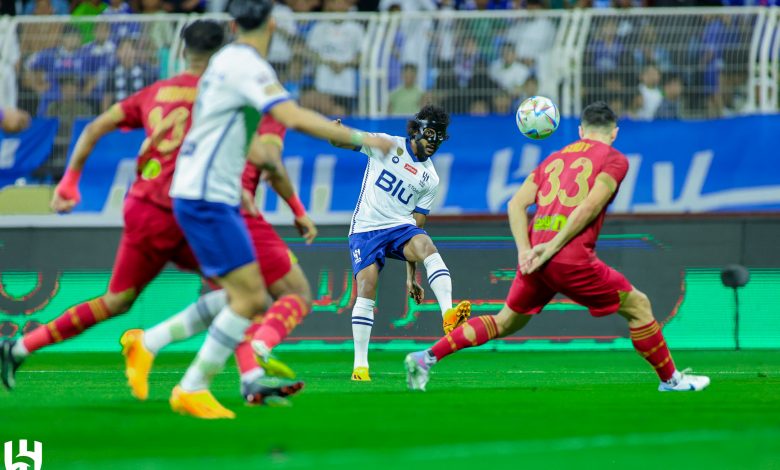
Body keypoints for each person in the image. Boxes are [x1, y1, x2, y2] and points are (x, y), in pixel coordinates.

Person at [0, 21, 305, 407]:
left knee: (117, 301)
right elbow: (259, 154)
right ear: (224, 56)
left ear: (180, 52)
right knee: (247, 293)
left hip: (143, 206)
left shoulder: (154, 92)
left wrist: (69, 181)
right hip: (187, 209)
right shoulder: (222, 94)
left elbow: (95, 127)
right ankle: (237, 378)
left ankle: (19, 348)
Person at [167, 0, 395, 419]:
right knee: (264, 295)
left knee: (244, 296)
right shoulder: (247, 65)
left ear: (234, 24)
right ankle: (190, 381)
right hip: (209, 195)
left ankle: (220, 376)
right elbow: (290, 117)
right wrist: (366, 138)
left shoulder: (223, 65)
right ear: (272, 23)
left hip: (203, 191)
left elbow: (252, 144)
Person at [405, 102, 710, 393]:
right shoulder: (614, 159)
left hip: (536, 257)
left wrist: (526, 250)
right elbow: (590, 206)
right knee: (639, 305)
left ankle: (425, 358)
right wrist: (550, 248)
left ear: (580, 130)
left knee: (504, 321)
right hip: (567, 257)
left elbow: (516, 204)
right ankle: (670, 379)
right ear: (614, 132)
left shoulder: (554, 158)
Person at [121, 114, 318, 405]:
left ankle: (248, 379)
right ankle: (256, 350)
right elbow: (273, 165)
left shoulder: (207, 106)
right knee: (296, 294)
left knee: (241, 299)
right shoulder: (265, 108)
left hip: (195, 212)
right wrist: (298, 210)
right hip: (233, 213)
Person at [330, 105, 471, 382]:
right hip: (366, 229)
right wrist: (335, 133)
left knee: (427, 245)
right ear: (416, 130)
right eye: (429, 133)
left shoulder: (430, 178)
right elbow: (341, 141)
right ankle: (360, 366)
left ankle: (448, 315)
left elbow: (416, 225)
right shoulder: (386, 144)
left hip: (399, 228)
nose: (433, 141)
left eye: (439, 136)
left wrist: (411, 276)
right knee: (367, 287)